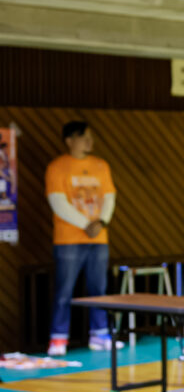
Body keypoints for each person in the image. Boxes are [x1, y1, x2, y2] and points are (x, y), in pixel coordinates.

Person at [46, 121, 119, 356]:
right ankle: (58, 338)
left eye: (90, 137)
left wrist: (102, 222)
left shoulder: (101, 165)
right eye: (84, 137)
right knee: (64, 290)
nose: (89, 141)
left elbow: (109, 197)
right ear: (70, 140)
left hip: (98, 238)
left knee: (99, 288)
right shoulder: (57, 167)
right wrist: (86, 224)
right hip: (68, 239)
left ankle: (100, 334)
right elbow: (58, 202)